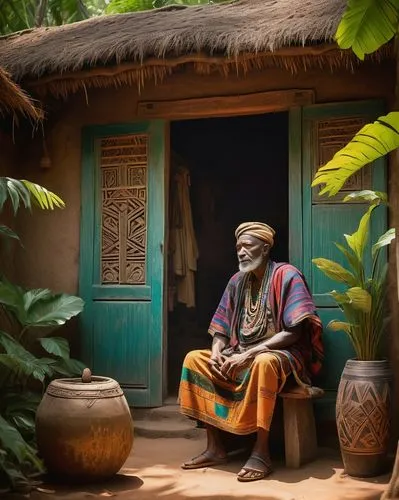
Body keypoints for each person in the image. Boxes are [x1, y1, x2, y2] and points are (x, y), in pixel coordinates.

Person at [178, 221, 323, 482]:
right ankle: (215, 447)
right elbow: (220, 330)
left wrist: (252, 352)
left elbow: (295, 332)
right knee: (194, 359)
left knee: (264, 362)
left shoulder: (287, 275)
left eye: (248, 246)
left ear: (265, 248)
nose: (241, 252)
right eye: (238, 247)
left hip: (281, 355)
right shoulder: (237, 281)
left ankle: (261, 451)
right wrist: (216, 351)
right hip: (239, 352)